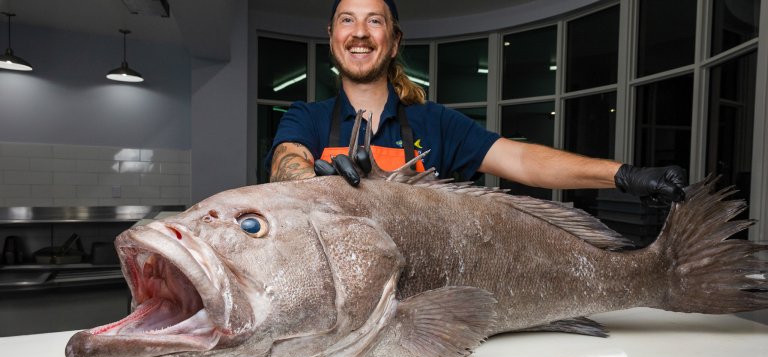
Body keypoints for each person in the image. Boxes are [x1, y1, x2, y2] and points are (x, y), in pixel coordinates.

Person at [265, 0, 686, 205]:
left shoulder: (436, 124)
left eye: (374, 21)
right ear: (333, 37)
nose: (360, 32)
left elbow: (523, 161)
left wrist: (625, 174)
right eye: (347, 20)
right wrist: (314, 183)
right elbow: (286, 162)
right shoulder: (309, 117)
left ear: (393, 42)